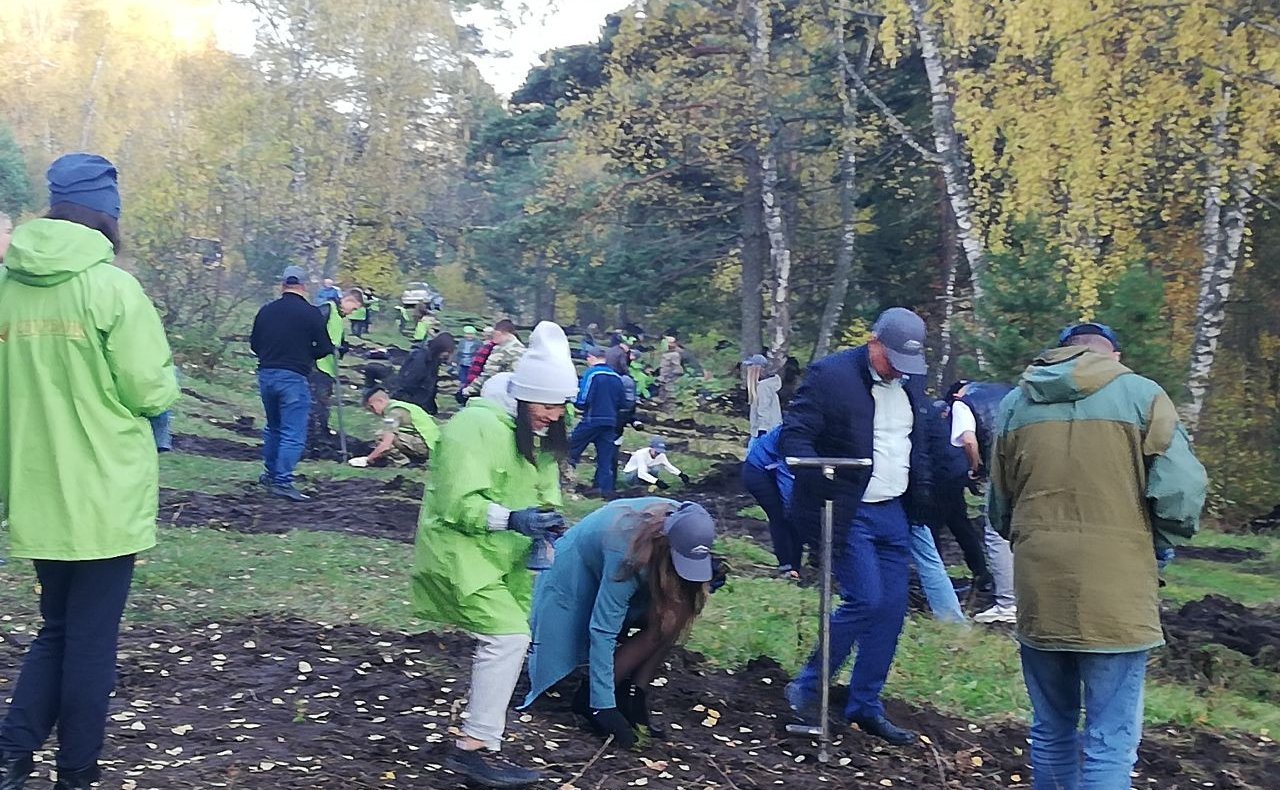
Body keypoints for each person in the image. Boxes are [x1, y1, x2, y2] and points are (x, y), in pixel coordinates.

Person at [0, 153, 180, 790]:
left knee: (56, 629)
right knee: (90, 643)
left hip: (36, 489)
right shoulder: (112, 289)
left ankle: (11, 755)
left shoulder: (8, 289)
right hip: (105, 493)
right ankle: (75, 773)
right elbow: (150, 390)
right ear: (108, 214)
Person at [988, 322, 1207, 790]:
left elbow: (999, 504)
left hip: (1041, 582)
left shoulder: (1016, 403)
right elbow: (1182, 491)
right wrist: (1159, 543)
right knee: (1110, 738)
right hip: (1117, 588)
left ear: (1061, 353)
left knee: (1051, 728)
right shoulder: (1143, 395)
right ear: (1116, 355)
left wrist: (1029, 539)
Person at [412, 322, 579, 788]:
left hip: (503, 558)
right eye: (547, 406)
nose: (554, 416)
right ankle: (472, 749)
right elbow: (457, 504)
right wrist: (513, 519)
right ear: (524, 396)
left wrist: (547, 520)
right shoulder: (475, 427)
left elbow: (544, 491)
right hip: (459, 553)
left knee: (511, 638)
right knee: (507, 638)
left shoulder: (534, 432)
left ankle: (480, 744)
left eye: (561, 408)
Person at [781, 307, 934, 745]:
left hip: (893, 510)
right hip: (848, 508)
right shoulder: (830, 376)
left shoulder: (910, 382)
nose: (900, 371)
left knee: (891, 611)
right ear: (873, 343)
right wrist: (820, 477)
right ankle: (808, 685)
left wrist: (929, 489)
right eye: (893, 361)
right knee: (865, 599)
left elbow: (917, 442)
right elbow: (796, 434)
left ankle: (865, 704)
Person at [522, 499, 717, 746]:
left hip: (647, 562)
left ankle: (633, 694)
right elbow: (603, 630)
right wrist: (602, 707)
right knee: (576, 642)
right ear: (664, 542)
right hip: (574, 572)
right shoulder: (626, 547)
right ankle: (591, 697)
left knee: (674, 616)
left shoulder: (692, 528)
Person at [250, 265, 335, 502]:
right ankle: (283, 482)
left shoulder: (266, 310)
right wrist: (307, 355)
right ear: (304, 286)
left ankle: (270, 475)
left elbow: (255, 344)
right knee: (293, 432)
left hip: (266, 374)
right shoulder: (311, 313)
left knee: (273, 427)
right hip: (293, 377)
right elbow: (325, 347)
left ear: (282, 285)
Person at [948, 379, 1017, 624]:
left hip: (999, 470)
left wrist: (976, 466)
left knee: (997, 534)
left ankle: (1007, 603)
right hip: (1029, 466)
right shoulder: (1012, 392)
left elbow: (969, 439)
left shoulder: (963, 403)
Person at [927, 397, 992, 593]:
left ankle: (937, 582)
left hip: (941, 475)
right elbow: (968, 442)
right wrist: (973, 468)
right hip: (953, 473)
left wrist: (974, 466)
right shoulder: (961, 406)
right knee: (959, 524)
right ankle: (981, 573)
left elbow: (969, 441)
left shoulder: (954, 407)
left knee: (933, 528)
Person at [740, 426, 801, 580]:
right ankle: (786, 567)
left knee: (795, 518)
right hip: (757, 471)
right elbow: (787, 481)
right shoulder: (791, 437)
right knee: (781, 516)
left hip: (773, 468)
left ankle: (796, 567)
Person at [308, 289, 365, 451]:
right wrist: (323, 347)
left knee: (324, 400)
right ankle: (313, 434)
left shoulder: (338, 317)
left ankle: (321, 430)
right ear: (348, 300)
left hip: (329, 367)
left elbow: (336, 338)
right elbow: (312, 331)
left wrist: (343, 347)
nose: (352, 312)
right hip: (317, 365)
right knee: (317, 401)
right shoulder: (327, 309)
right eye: (353, 308)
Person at [570, 346, 628, 494]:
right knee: (605, 458)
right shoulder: (616, 377)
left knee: (571, 450)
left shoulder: (592, 374)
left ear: (591, 358)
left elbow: (583, 398)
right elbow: (623, 402)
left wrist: (575, 403)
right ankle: (603, 489)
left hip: (592, 419)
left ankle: (564, 481)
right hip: (610, 422)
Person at [348, 388, 440, 468]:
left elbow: (386, 443)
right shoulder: (403, 406)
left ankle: (401, 461)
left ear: (380, 401)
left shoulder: (393, 413)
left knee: (381, 435)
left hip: (426, 447)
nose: (373, 411)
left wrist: (368, 459)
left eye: (371, 407)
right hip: (434, 443)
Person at [394, 332, 456, 416]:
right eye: (447, 352)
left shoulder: (434, 359)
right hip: (411, 398)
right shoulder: (420, 359)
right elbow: (409, 382)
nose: (447, 355)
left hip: (424, 398)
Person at [463, 319, 526, 398]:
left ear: (498, 333)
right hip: (517, 393)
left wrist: (468, 390)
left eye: (493, 334)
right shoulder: (522, 349)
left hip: (499, 392)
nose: (492, 338)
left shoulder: (501, 350)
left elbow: (489, 374)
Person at [622, 438, 689, 490]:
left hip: (645, 471)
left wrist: (680, 474)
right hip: (631, 474)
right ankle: (636, 487)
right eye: (656, 451)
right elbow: (641, 473)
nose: (658, 454)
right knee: (642, 474)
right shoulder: (641, 454)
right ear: (651, 448)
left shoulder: (661, 455)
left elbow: (667, 466)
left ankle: (647, 484)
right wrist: (657, 482)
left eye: (659, 452)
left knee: (656, 468)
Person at [744, 354, 783, 439]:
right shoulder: (766, 385)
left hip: (765, 431)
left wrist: (762, 431)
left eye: (751, 366)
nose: (748, 369)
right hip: (770, 430)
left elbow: (763, 409)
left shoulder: (763, 387)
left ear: (759, 368)